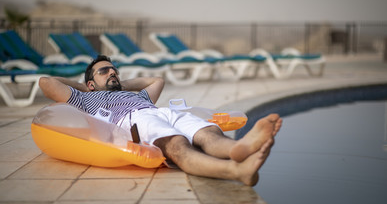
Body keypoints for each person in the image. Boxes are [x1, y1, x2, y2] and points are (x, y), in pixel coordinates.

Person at [39, 55, 282, 186]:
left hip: (159, 111)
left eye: (114, 70)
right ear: (90, 84)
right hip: (131, 119)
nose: (112, 72)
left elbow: (157, 81)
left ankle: (241, 148)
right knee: (177, 145)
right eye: (105, 71)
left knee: (208, 133)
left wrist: (120, 84)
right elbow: (46, 83)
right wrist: (84, 87)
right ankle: (235, 170)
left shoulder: (134, 93)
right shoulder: (86, 99)